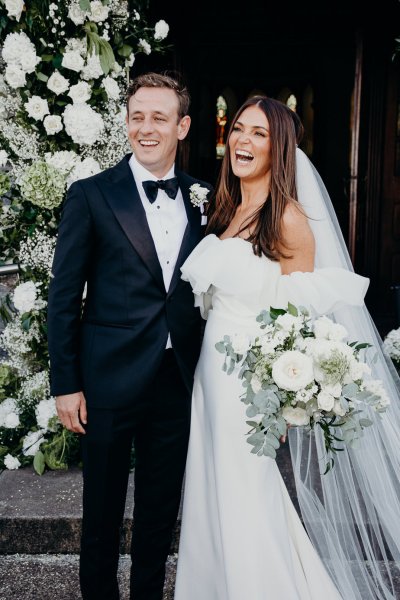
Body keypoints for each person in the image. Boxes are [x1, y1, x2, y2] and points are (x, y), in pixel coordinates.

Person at [175, 96, 400, 599]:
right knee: (212, 491)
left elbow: (297, 322)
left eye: (259, 133)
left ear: (281, 149)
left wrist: (277, 403)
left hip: (244, 386)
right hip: (210, 379)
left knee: (245, 495)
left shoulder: (290, 219)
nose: (243, 141)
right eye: (238, 129)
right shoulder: (227, 208)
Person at [47, 72, 211, 600]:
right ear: (126, 122)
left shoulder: (204, 200)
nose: (146, 127)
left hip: (175, 380)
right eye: (137, 115)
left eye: (159, 117)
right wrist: (65, 383)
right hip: (107, 380)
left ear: (182, 126)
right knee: (101, 512)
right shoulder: (91, 195)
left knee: (160, 513)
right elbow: (64, 296)